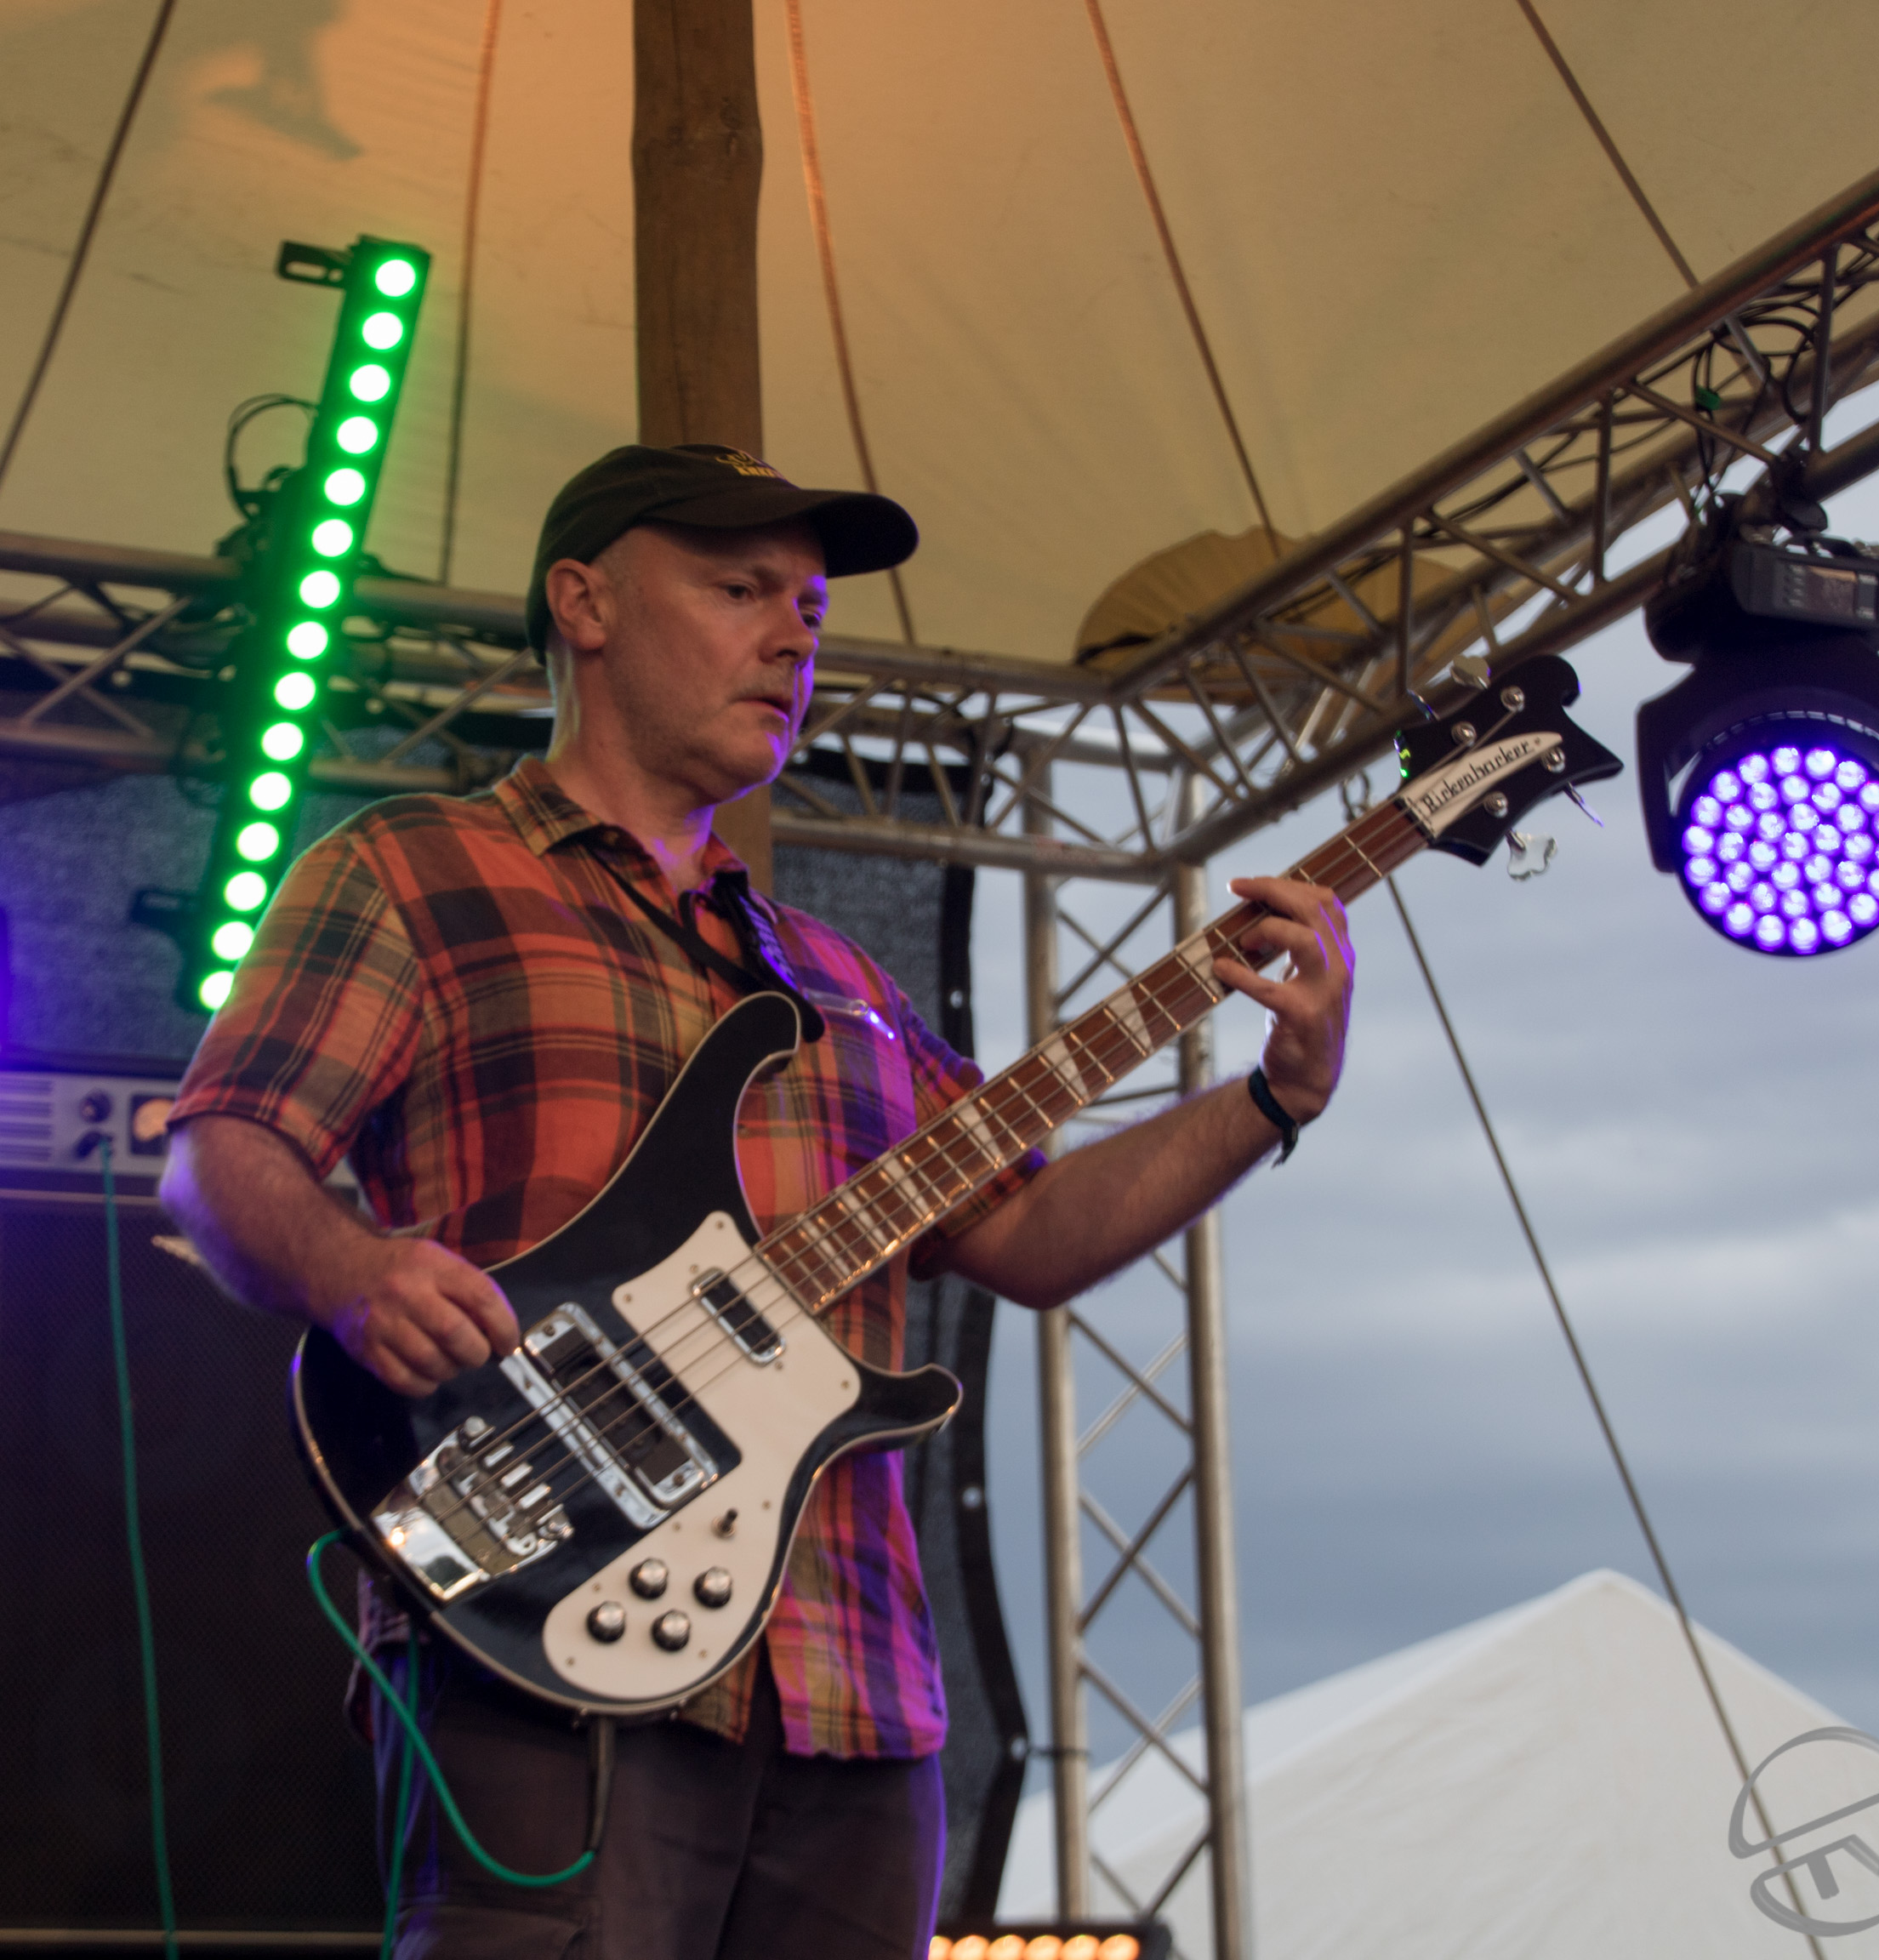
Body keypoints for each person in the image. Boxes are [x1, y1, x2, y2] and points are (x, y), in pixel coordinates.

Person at [161, 442, 1353, 1960]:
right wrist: (351, 1272)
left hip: (853, 1680)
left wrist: (1269, 1100)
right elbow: (223, 1151)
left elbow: (1030, 1232)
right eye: (742, 591)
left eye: (813, 609)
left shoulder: (838, 980)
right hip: (538, 1624)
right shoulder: (416, 870)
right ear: (585, 603)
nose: (796, 637)